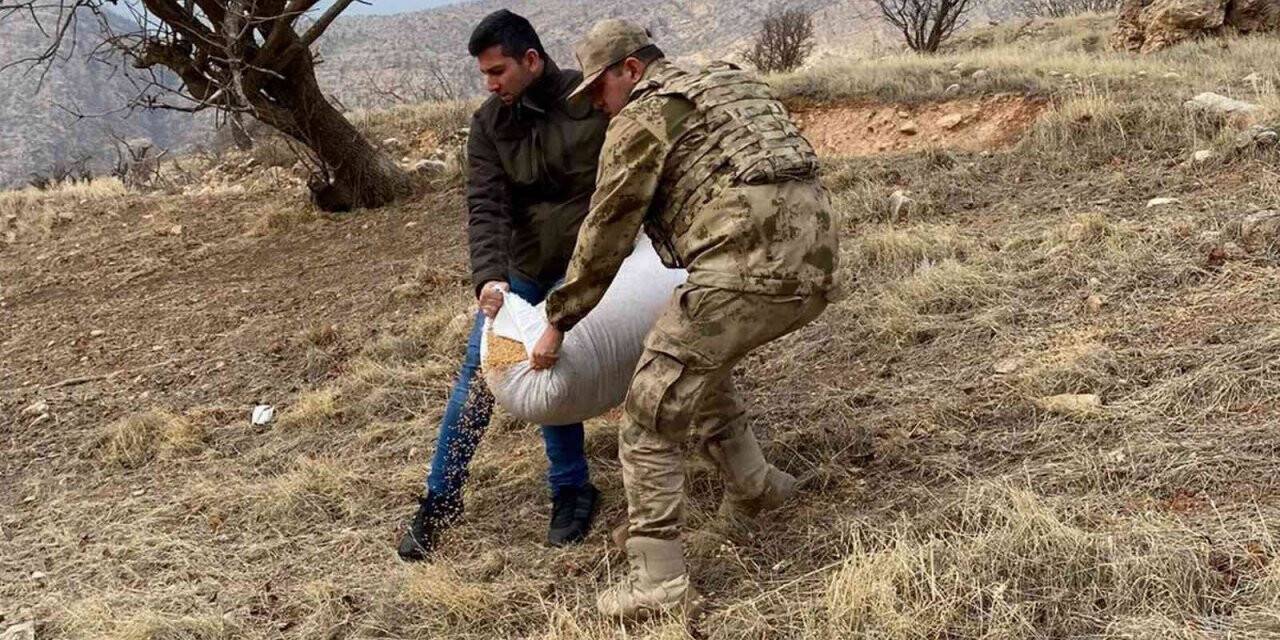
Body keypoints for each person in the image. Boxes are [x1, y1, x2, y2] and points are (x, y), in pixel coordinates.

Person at [532, 19, 840, 618]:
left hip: (746, 270)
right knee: (696, 364)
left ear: (631, 69)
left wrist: (559, 319)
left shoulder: (645, 113)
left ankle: (658, 582)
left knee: (648, 412)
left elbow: (605, 231)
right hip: (816, 262)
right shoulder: (725, 83)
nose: (597, 102)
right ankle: (756, 487)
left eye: (600, 88)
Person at [397, 9, 607, 562]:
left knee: (550, 367)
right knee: (480, 369)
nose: (490, 84)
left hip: (584, 261)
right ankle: (440, 500)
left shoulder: (588, 103)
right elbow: (485, 205)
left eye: (498, 72)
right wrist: (488, 278)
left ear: (531, 60)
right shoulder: (489, 123)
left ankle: (571, 490)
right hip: (520, 266)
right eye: (484, 75)